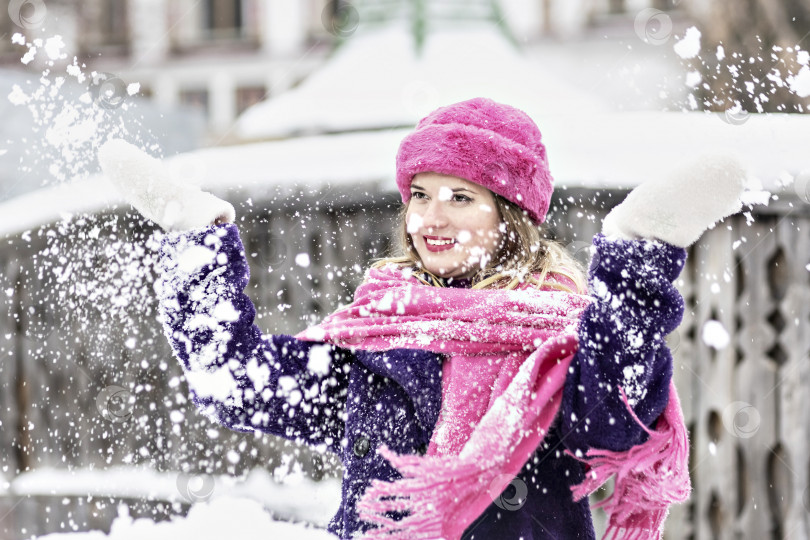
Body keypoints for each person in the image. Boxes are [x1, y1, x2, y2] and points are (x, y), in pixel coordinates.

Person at [98, 97, 746, 540]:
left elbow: (619, 411)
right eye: (419, 196)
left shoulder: (559, 348)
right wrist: (196, 244)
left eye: (460, 197)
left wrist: (635, 255)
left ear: (512, 216)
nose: (430, 219)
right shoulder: (377, 338)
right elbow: (234, 381)